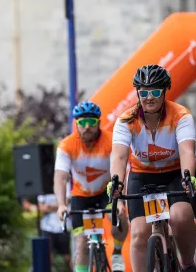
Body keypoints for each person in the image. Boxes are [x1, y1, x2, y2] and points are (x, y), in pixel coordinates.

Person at [107, 64, 196, 272]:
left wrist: (189, 177)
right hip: (142, 177)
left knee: (180, 216)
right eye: (144, 92)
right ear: (137, 93)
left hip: (175, 174)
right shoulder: (125, 121)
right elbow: (120, 155)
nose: (149, 97)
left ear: (165, 91)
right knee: (140, 233)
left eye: (155, 91)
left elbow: (186, 151)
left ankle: (187, 263)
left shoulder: (181, 115)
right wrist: (116, 181)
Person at [54, 101, 128, 272]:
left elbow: (121, 171)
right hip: (81, 196)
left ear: (99, 123)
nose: (87, 126)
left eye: (92, 122)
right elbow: (60, 177)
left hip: (106, 192)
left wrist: (121, 200)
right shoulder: (66, 145)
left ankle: (116, 252)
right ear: (76, 124)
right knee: (81, 243)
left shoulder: (111, 141)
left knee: (119, 218)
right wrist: (61, 204)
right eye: (82, 122)